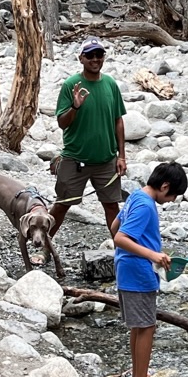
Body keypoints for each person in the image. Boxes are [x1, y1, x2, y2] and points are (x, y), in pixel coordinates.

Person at [112, 162, 188, 377]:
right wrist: (153, 254)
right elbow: (120, 237)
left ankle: (139, 375)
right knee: (147, 327)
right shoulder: (146, 206)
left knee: (139, 325)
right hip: (139, 273)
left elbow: (115, 225)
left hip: (126, 270)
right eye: (173, 194)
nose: (173, 200)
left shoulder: (136, 196)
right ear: (165, 186)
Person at [50, 37, 127, 236]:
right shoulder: (71, 84)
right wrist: (75, 106)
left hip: (106, 160)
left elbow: (118, 120)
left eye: (99, 54)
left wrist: (121, 156)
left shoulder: (110, 84)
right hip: (75, 159)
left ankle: (122, 252)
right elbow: (62, 123)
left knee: (111, 207)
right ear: (81, 58)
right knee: (62, 205)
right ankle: (43, 246)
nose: (95, 59)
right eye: (90, 55)